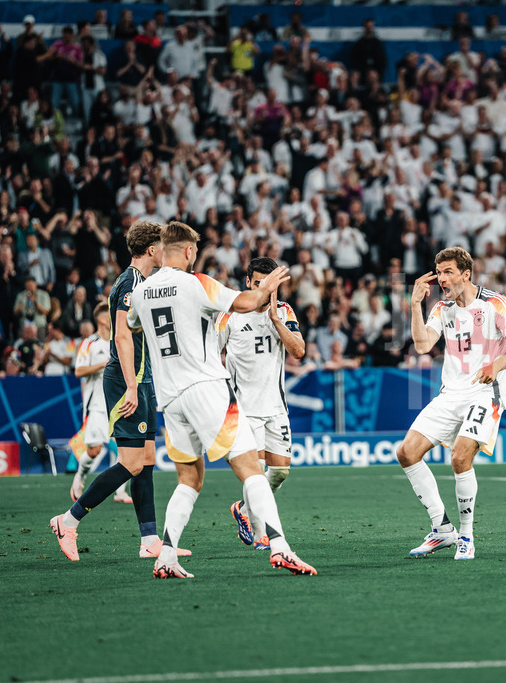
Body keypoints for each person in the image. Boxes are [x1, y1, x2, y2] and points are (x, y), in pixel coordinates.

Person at [126, 222, 315, 579]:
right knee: (251, 469)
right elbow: (248, 302)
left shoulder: (140, 292)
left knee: (188, 480)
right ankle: (280, 547)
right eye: (195, 250)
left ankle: (166, 556)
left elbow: (132, 325)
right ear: (188, 251)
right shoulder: (197, 282)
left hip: (170, 398)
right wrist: (268, 287)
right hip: (207, 388)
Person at [50, 222, 184, 561]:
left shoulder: (142, 283)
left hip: (144, 379)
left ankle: (149, 540)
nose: (164, 251)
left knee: (147, 460)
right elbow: (122, 336)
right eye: (161, 246)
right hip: (128, 380)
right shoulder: (130, 283)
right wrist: (132, 386)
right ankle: (68, 521)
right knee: (131, 463)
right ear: (151, 249)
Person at [397, 248, 506, 560]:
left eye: (448, 272)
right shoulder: (442, 308)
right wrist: (415, 305)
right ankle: (442, 529)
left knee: (460, 457)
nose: (441, 279)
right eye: (439, 272)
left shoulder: (494, 302)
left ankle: (466, 536)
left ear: (466, 274)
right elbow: (423, 344)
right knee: (406, 452)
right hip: (450, 394)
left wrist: (496, 365)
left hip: (485, 391)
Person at [219, 257, 306, 550]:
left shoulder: (284, 310)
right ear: (248, 282)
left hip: (276, 407)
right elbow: (210, 353)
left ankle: (243, 509)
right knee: (254, 471)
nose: (264, 288)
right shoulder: (230, 313)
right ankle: (261, 535)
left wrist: (275, 320)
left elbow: (299, 351)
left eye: (269, 284)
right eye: (258, 283)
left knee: (279, 472)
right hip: (244, 409)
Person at [70, 302, 130, 504]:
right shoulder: (89, 343)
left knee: (125, 448)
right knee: (94, 451)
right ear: (103, 319)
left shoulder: (118, 340)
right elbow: (79, 371)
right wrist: (104, 364)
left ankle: (120, 492)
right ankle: (80, 475)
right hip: (96, 405)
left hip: (117, 403)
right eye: (110, 314)